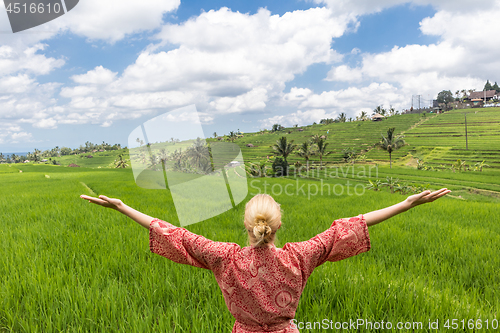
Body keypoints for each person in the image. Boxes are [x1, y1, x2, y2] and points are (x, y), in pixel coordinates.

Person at [80, 188, 450, 333]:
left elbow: (171, 233)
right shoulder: (300, 256)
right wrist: (405, 204)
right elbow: (350, 226)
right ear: (278, 226)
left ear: (247, 225)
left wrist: (123, 207)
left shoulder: (224, 258)